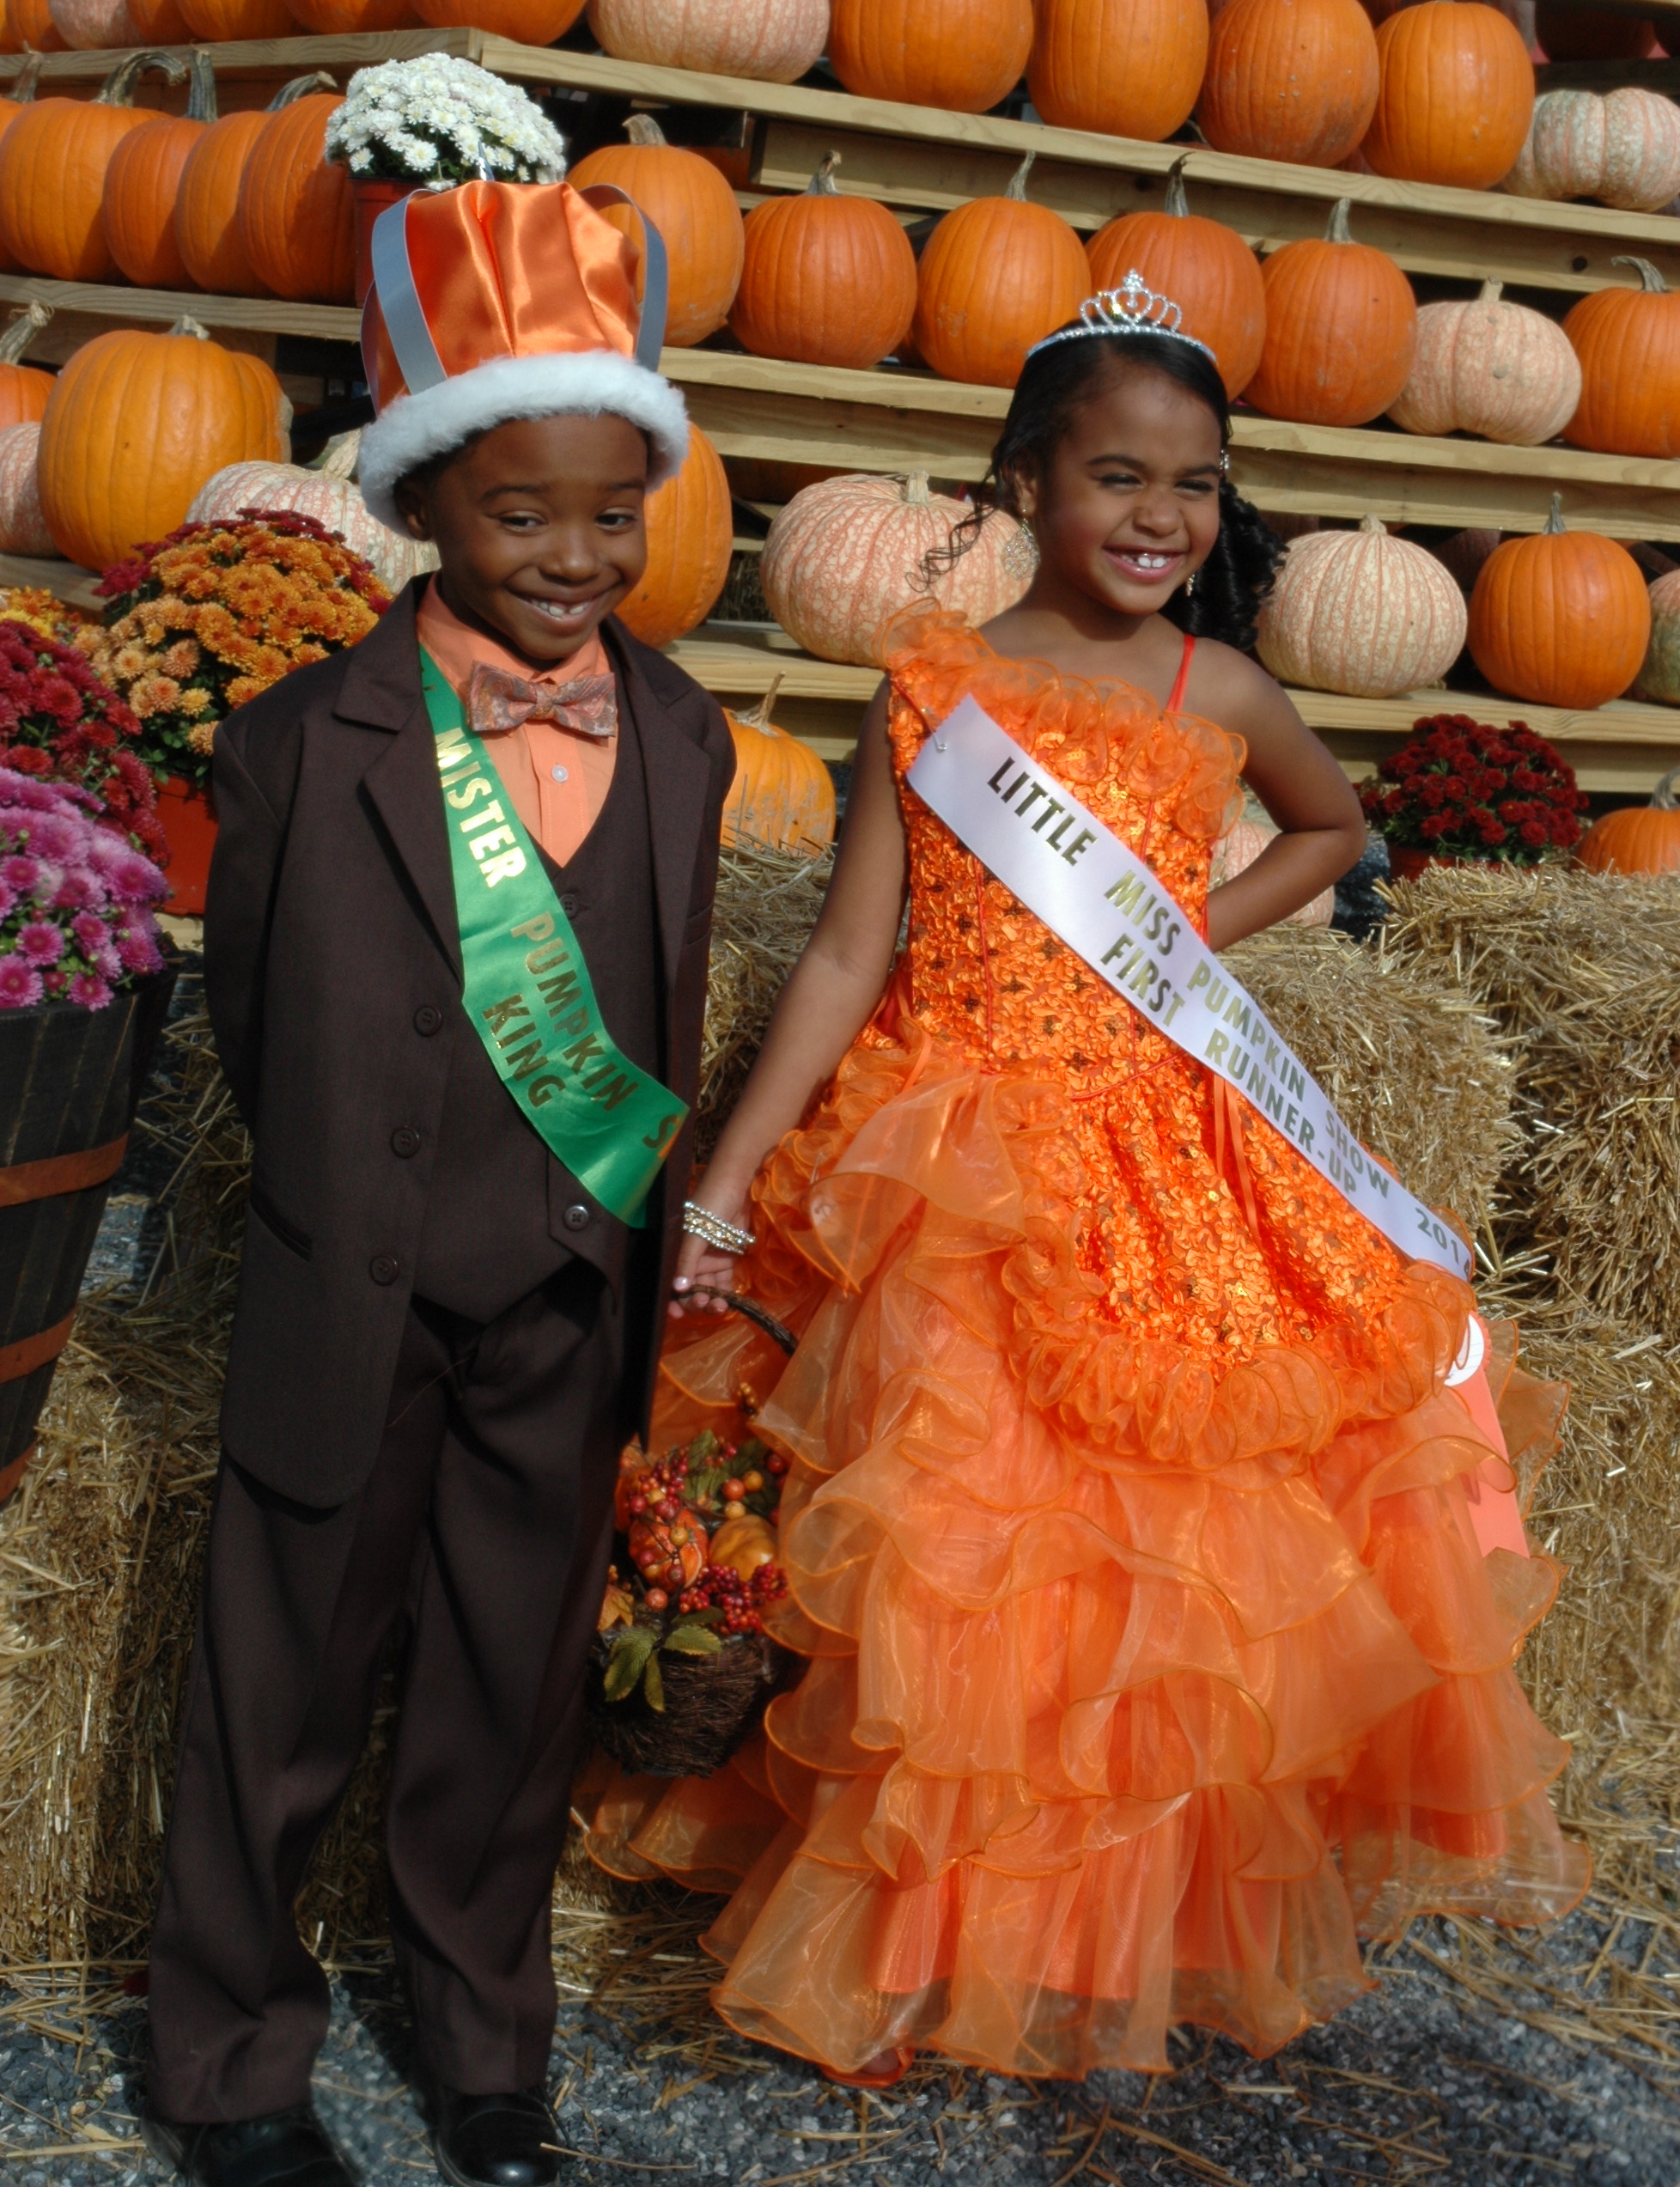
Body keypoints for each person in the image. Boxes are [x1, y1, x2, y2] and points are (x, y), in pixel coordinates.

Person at [628, 279, 1587, 2081]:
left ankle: (1110, 1927)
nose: (1160, 517)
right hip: (942, 1155)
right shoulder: (930, 692)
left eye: (1198, 485)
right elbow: (849, 950)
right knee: (962, 1560)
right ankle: (943, 1928)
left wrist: (1187, 941)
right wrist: (727, 1178)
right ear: (1019, 482)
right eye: (1117, 477)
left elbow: (1333, 824)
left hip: (1151, 1139)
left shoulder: (1211, 679)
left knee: (1157, 1565)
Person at [144, 180, 734, 2187]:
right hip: (359, 1281)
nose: (573, 558)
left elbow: (659, 996)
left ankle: (485, 2043)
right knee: (282, 1682)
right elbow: (247, 1020)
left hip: (567, 1296)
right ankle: (230, 2054)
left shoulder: (686, 732)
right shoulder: (306, 740)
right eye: (519, 517)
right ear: (422, 504)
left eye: (610, 514)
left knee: (509, 1683)